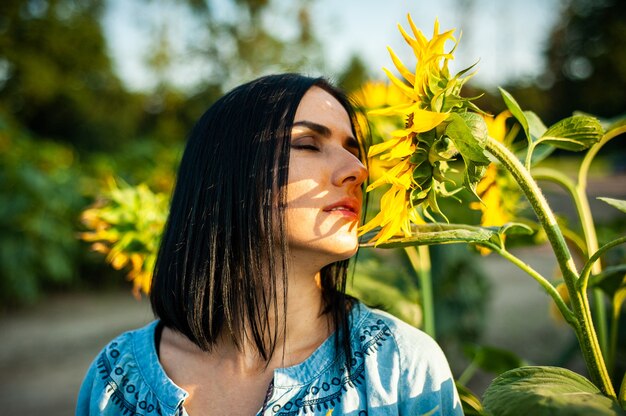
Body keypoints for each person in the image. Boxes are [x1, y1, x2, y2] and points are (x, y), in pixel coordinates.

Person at [76, 73, 464, 415]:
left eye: (352, 149)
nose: (358, 170)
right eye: (309, 143)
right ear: (230, 171)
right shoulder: (116, 379)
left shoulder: (400, 366)